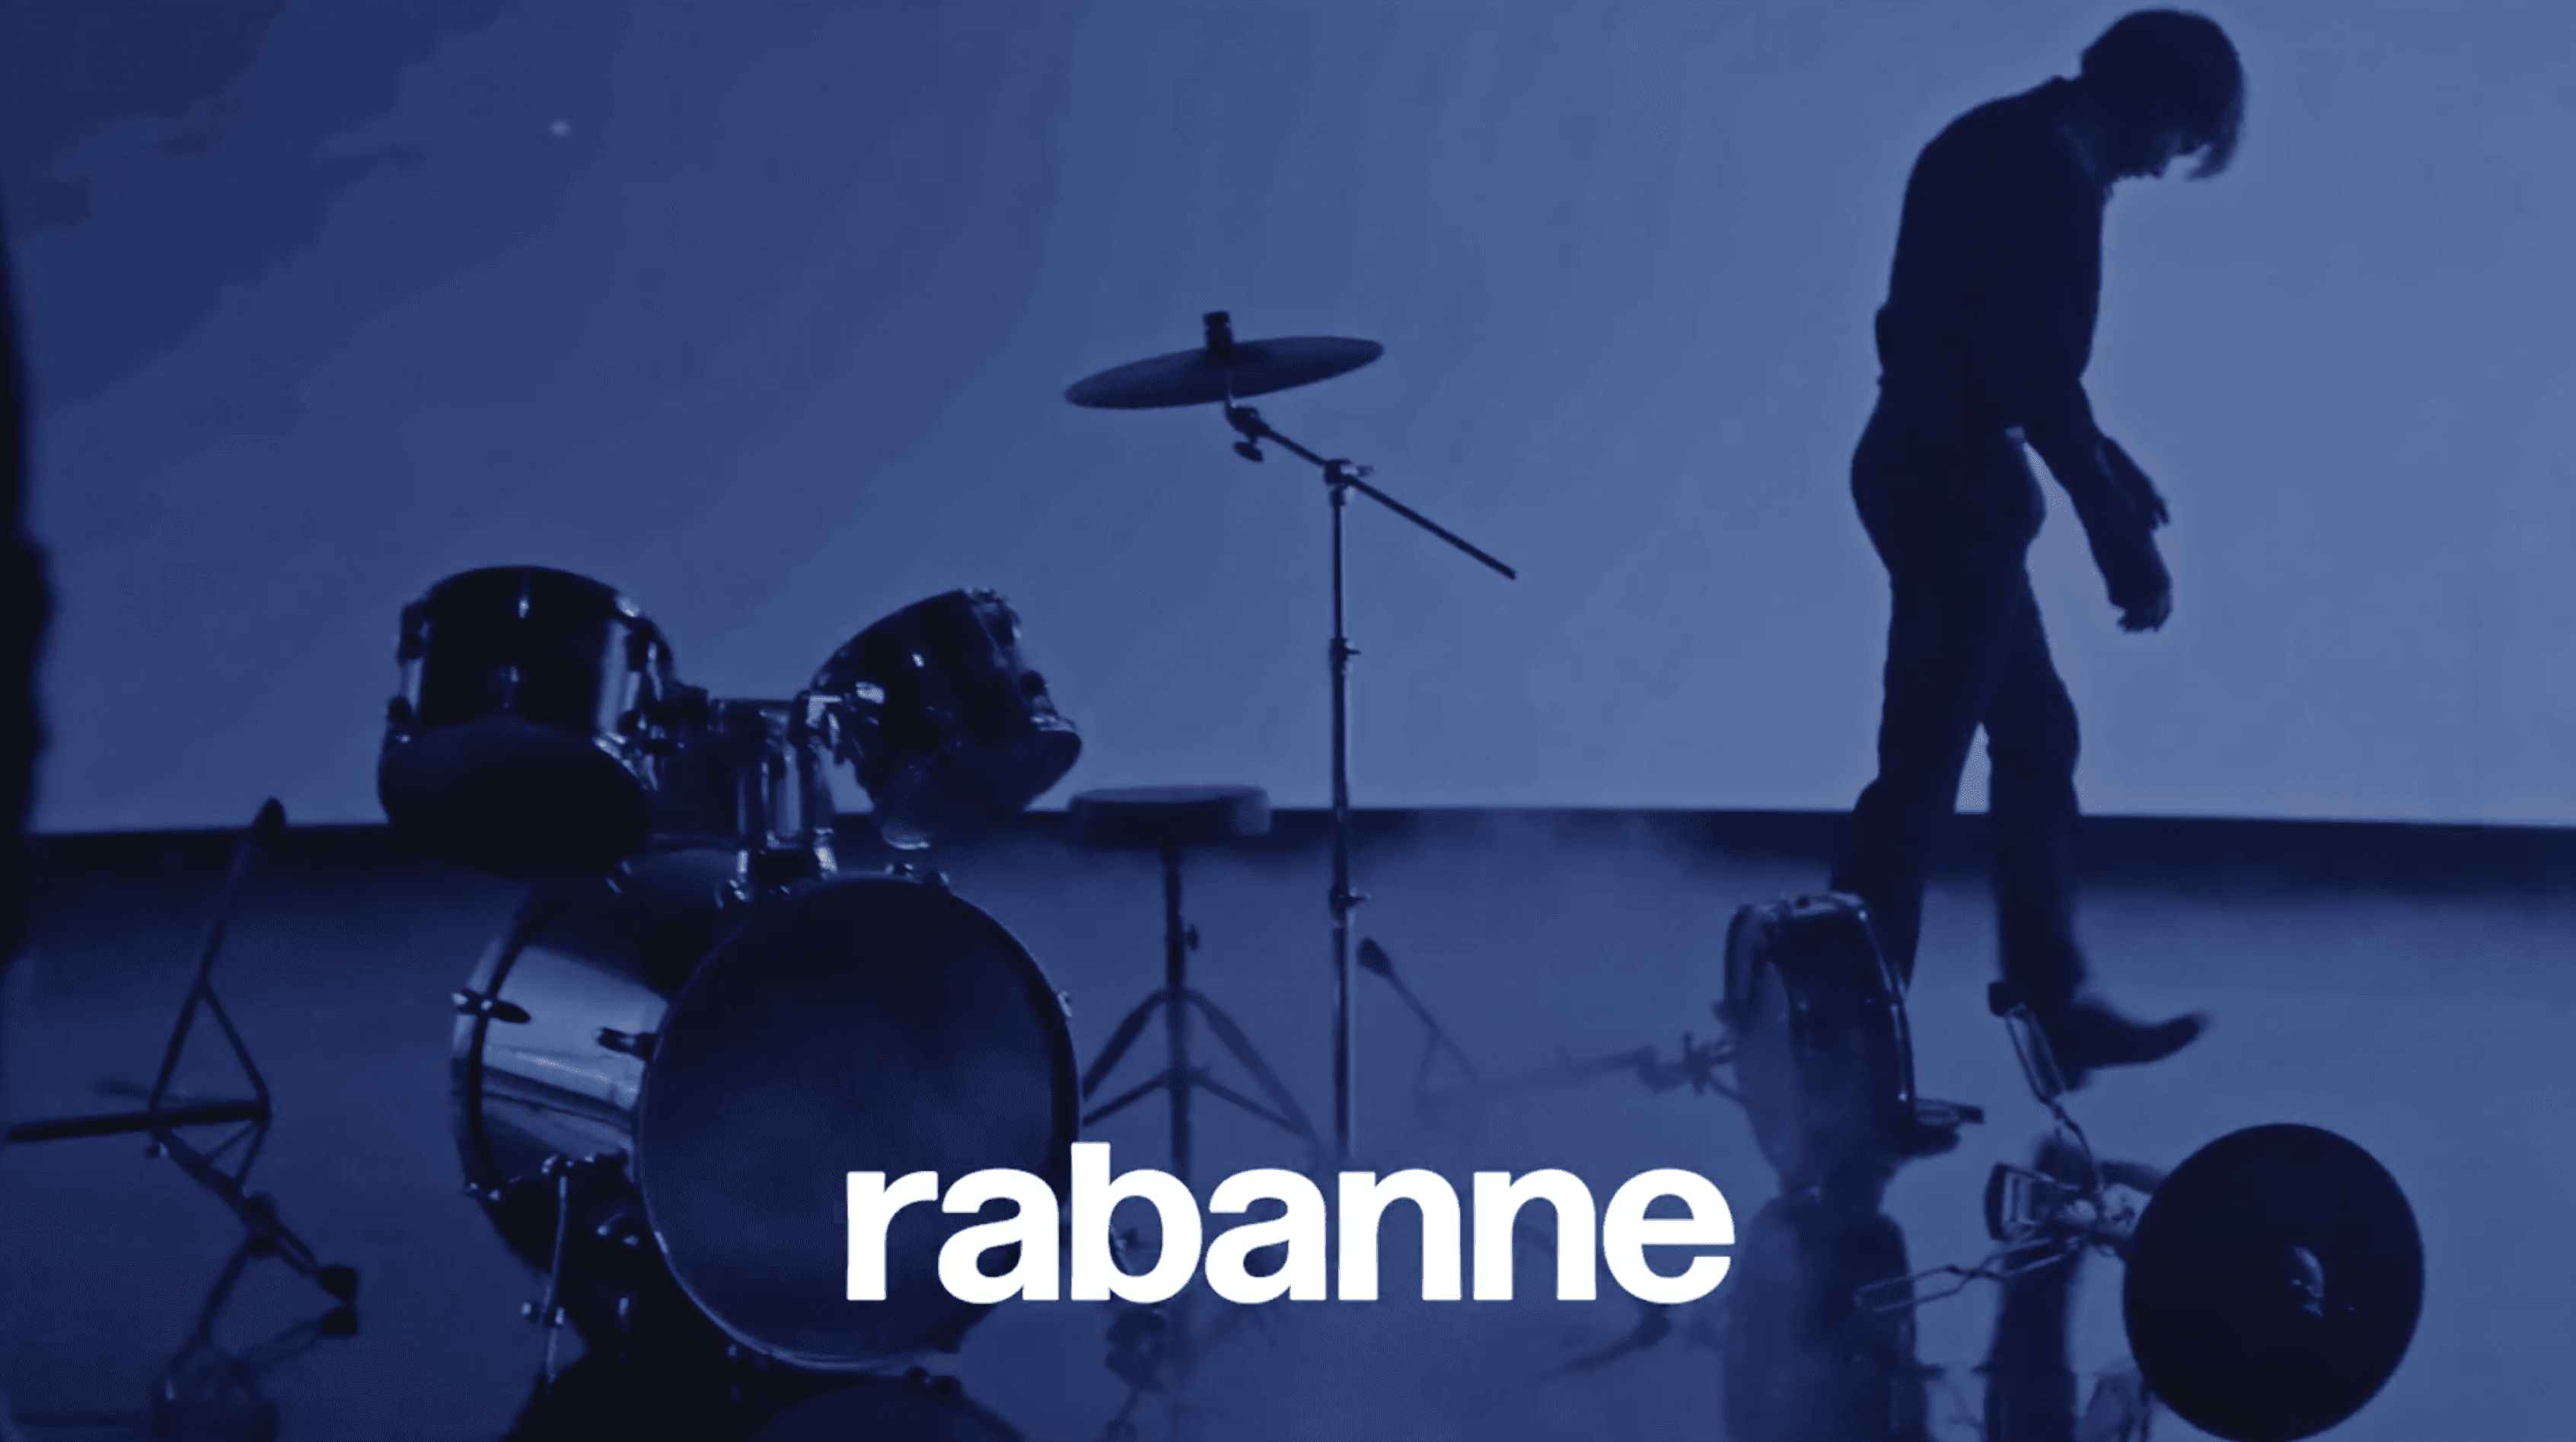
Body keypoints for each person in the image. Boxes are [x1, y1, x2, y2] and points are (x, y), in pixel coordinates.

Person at [1828, 11, 2245, 1086]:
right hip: (1952, 486)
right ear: (2153, 98)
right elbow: (2028, 375)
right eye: (2181, 137)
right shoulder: (2044, 170)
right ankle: (1846, 1042)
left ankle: (2043, 1004)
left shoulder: (2009, 141)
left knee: (2031, 733)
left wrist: (2111, 465)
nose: (2166, 164)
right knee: (1924, 769)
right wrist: (2119, 537)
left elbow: (2004, 354)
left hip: (1934, 470)